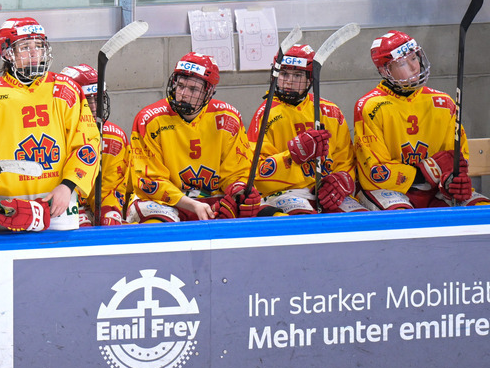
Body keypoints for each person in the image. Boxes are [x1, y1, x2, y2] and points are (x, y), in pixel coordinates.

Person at [0, 18, 101, 233]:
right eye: (24, 47)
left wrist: (68, 186)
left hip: (58, 205)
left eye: (39, 46)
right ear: (6, 52)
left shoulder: (67, 89)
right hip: (3, 208)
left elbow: (88, 145)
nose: (34, 53)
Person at [354, 30, 488, 209]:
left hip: (436, 189)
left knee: (479, 208)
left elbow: (456, 157)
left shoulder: (443, 102)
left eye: (414, 58)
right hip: (392, 190)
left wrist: (455, 180)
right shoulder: (370, 107)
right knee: (400, 217)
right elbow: (377, 172)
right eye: (402, 63)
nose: (414, 67)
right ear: (384, 70)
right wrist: (428, 170)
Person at [127, 52, 260, 223]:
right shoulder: (149, 119)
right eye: (180, 85)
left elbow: (237, 171)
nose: (183, 94)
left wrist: (239, 191)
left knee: (248, 213)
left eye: (193, 89)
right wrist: (192, 205)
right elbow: (150, 181)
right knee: (157, 228)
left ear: (208, 91)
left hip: (211, 199)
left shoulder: (228, 118)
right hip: (162, 202)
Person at [246, 45, 364, 215]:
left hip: (323, 190)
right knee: (302, 219)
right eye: (284, 74)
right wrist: (291, 156)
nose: (289, 81)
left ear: (310, 79)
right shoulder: (265, 115)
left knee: (358, 219)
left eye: (298, 75)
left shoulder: (331, 111)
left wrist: (340, 181)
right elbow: (257, 176)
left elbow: (345, 159)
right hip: (287, 191)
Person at [59, 64, 128, 226]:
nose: (94, 107)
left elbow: (111, 186)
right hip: (62, 203)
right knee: (80, 228)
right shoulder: (54, 135)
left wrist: (107, 209)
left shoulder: (114, 137)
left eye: (97, 99)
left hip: (94, 201)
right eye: (86, 100)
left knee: (111, 225)